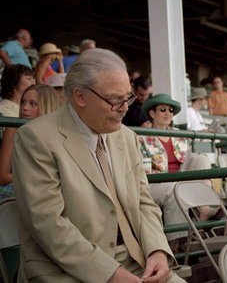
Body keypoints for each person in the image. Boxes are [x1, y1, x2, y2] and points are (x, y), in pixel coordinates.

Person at [12, 48, 184, 283]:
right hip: (66, 271)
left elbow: (144, 202)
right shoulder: (35, 138)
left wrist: (158, 250)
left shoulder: (126, 137)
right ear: (80, 96)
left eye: (128, 97)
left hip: (135, 261)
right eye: (115, 100)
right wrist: (109, 273)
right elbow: (48, 223)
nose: (125, 108)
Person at [138, 94, 215, 241]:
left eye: (171, 110)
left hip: (179, 178)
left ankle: (204, 208)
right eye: (163, 109)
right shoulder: (141, 136)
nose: (168, 113)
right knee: (174, 189)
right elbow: (143, 170)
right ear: (152, 113)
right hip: (156, 183)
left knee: (201, 159)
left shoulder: (178, 134)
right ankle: (178, 243)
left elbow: (189, 159)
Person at [0, 84, 61, 198]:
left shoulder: (59, 133)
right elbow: (3, 177)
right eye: (23, 102)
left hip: (48, 191)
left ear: (47, 107)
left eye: (32, 104)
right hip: (17, 189)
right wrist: (38, 180)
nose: (25, 107)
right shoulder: (13, 130)